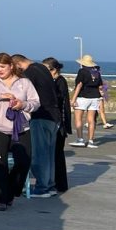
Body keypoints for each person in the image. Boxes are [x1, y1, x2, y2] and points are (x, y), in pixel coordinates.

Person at [0, 52, 40, 210]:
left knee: (24, 161)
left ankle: (11, 191)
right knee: (0, 162)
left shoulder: (24, 83)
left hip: (21, 127)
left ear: (11, 66)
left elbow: (36, 102)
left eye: (3, 67)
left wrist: (22, 104)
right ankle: (0, 198)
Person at [13, 54, 61, 199]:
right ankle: (50, 185)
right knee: (49, 154)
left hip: (40, 116)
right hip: (53, 115)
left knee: (39, 154)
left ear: (17, 64)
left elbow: (24, 94)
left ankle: (42, 187)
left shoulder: (29, 73)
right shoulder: (42, 68)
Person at [44, 58, 71, 192]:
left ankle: (59, 183)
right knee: (54, 154)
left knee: (57, 154)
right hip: (58, 121)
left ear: (53, 70)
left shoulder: (60, 81)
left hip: (59, 122)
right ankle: (57, 182)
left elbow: (60, 101)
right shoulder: (57, 81)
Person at [69, 55, 104, 148]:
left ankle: (80, 139)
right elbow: (100, 86)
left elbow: (79, 85)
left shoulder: (82, 71)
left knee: (78, 118)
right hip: (95, 97)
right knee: (91, 120)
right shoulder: (96, 72)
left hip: (83, 97)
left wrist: (73, 99)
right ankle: (91, 141)